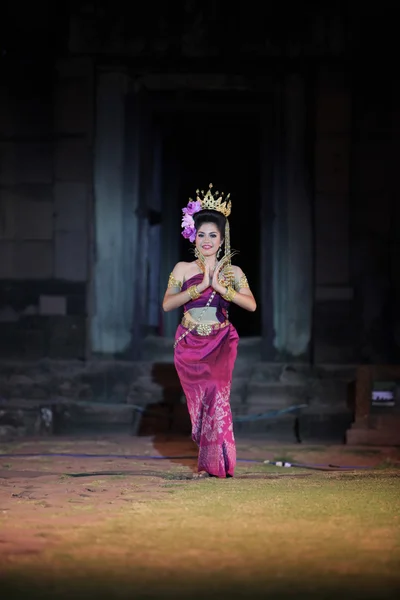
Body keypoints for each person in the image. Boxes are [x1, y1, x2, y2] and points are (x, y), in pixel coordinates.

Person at [162, 184, 256, 478]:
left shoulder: (233, 273)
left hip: (220, 341)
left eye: (212, 235)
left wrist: (220, 288)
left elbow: (251, 305)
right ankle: (206, 459)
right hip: (190, 343)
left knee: (217, 392)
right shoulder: (182, 269)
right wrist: (199, 288)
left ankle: (217, 464)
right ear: (193, 235)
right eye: (201, 234)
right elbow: (167, 305)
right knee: (200, 406)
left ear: (221, 238)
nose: (206, 240)